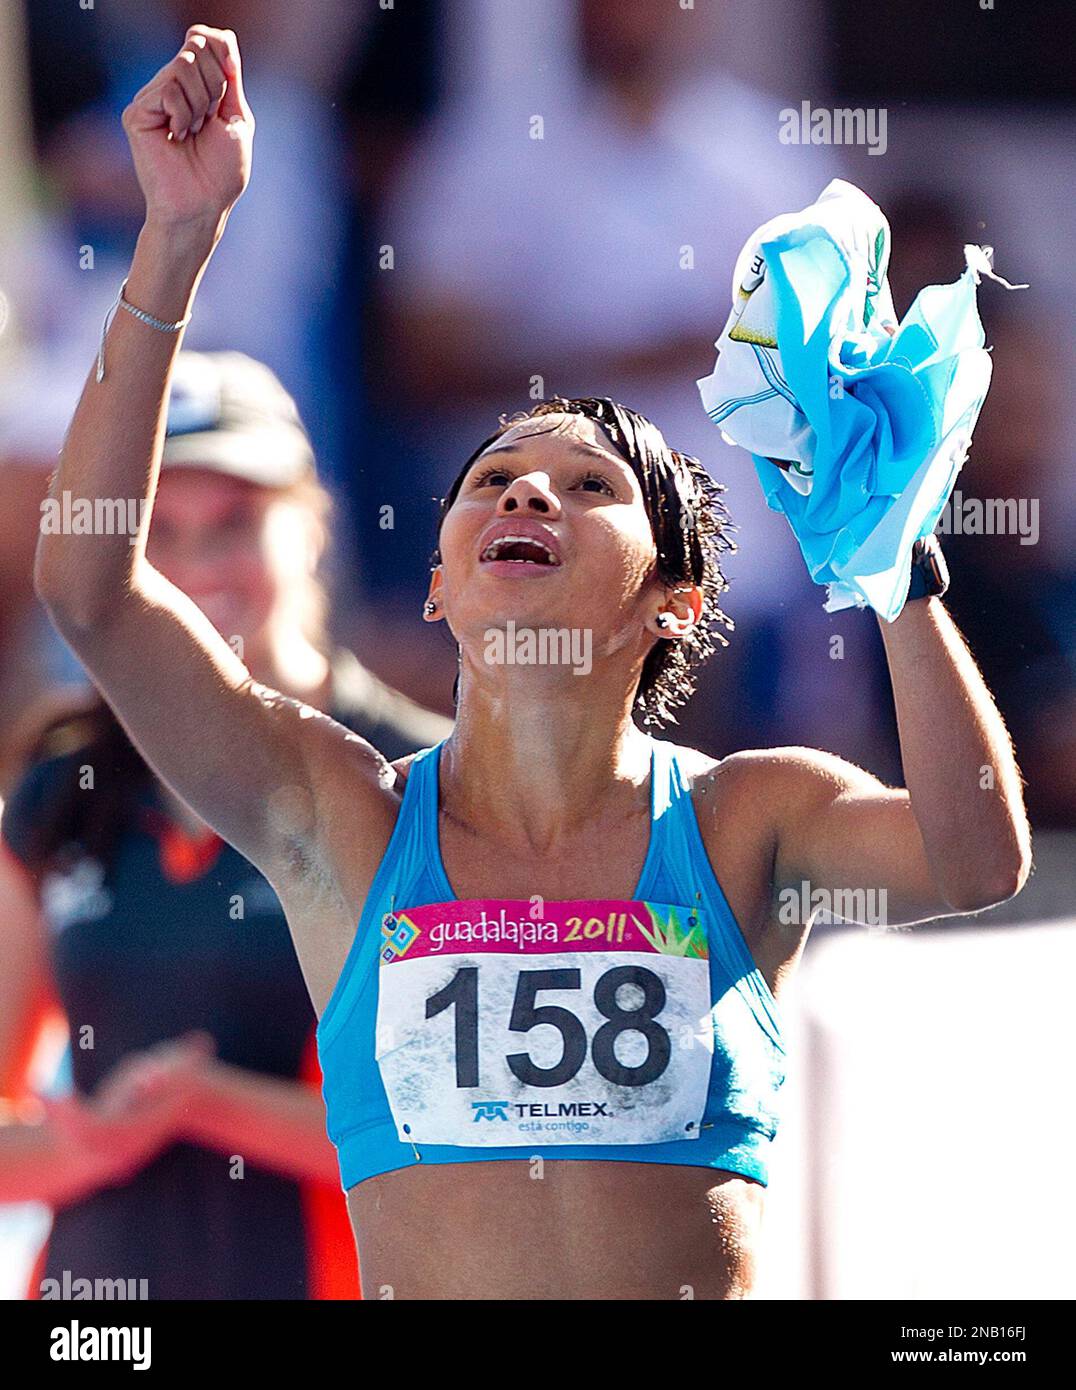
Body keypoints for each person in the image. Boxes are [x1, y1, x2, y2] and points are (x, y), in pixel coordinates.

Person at [32, 26, 1031, 1300]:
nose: (531, 492)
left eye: (589, 484)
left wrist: (899, 577)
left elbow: (973, 858)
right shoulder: (340, 814)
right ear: (436, 584)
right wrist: (173, 241)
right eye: (493, 476)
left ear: (670, 602)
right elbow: (92, 589)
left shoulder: (747, 814)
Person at [1, 347, 451, 1299]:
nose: (199, 566)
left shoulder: (426, 779)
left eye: (236, 521)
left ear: (314, 526)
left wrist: (206, 1105)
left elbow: (462, 1128)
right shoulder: (63, 789)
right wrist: (90, 1139)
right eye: (158, 531)